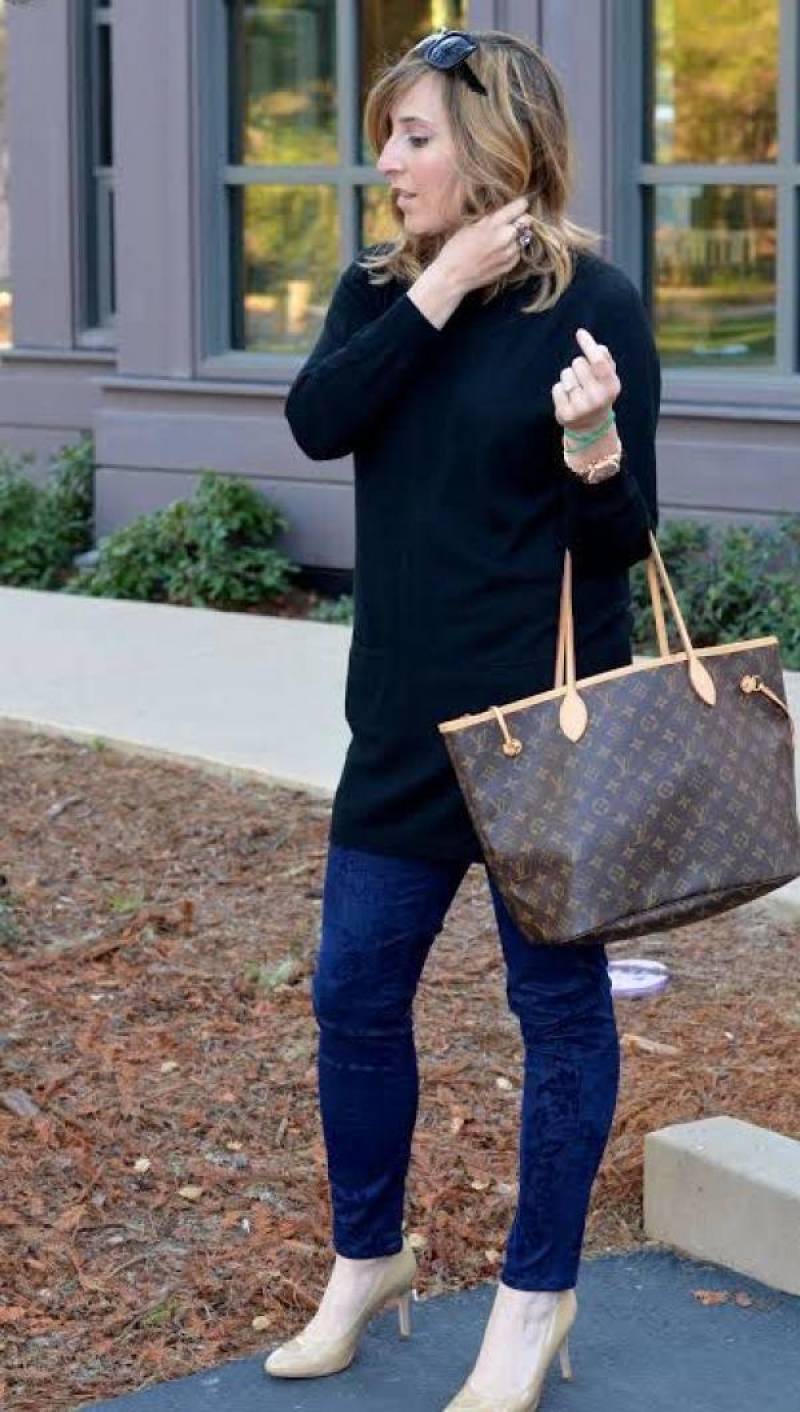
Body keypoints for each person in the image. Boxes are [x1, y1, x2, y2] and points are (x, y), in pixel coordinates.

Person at [266, 26, 660, 1412]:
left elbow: (621, 542)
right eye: (389, 135)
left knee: (557, 1013)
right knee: (353, 996)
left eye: (415, 136)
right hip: (401, 726)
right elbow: (319, 421)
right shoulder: (382, 293)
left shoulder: (595, 301)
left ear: (496, 147)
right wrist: (435, 287)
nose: (387, 159)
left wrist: (596, 449)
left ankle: (535, 1300)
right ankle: (367, 1260)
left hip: (542, 735)